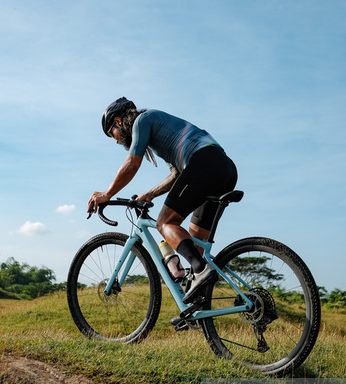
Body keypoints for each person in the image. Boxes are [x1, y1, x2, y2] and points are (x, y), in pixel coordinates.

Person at [87, 97, 238, 303]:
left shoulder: (142, 120)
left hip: (204, 163)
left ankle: (201, 271)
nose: (115, 140)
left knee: (165, 222)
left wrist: (107, 194)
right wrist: (150, 194)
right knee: (194, 244)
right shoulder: (162, 129)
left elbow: (132, 163)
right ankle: (197, 307)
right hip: (224, 168)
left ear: (119, 121)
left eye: (111, 132)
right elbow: (177, 175)